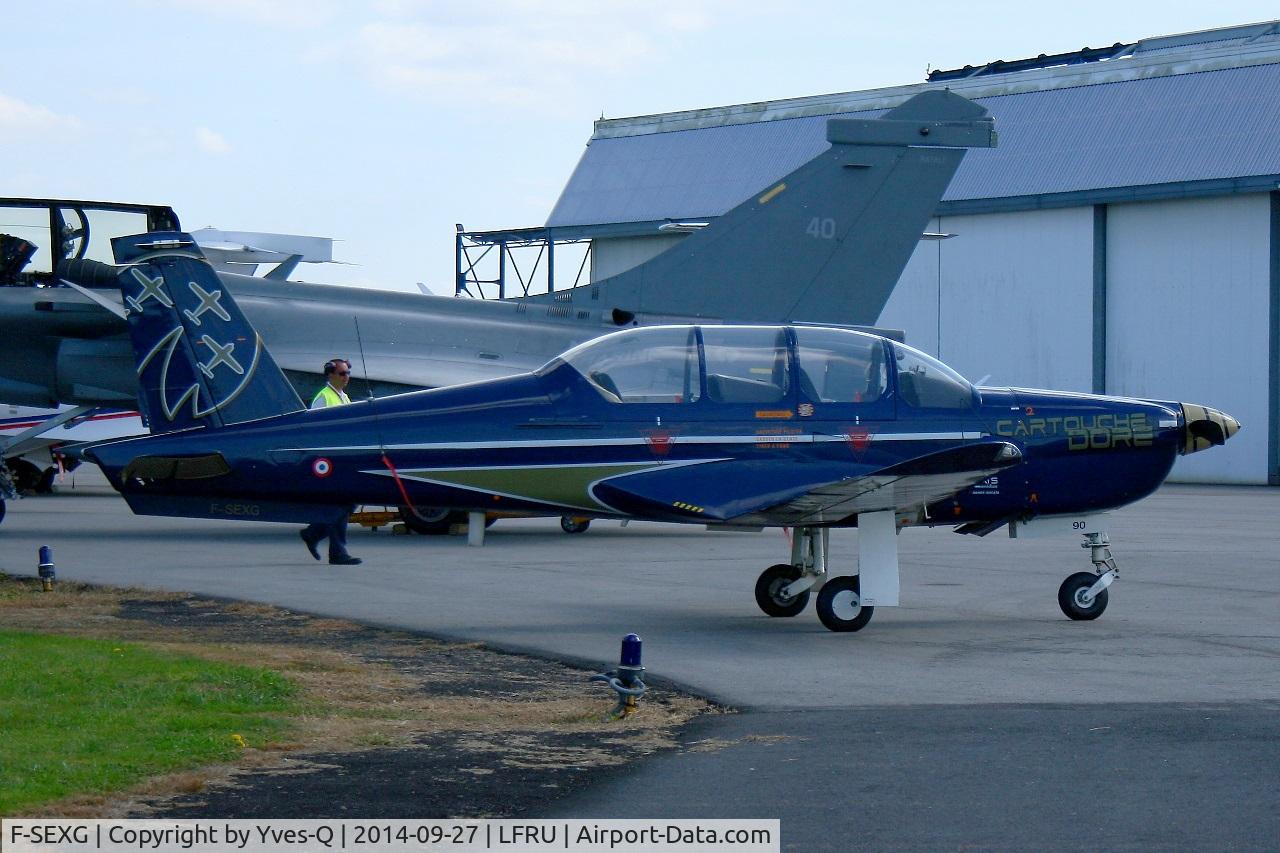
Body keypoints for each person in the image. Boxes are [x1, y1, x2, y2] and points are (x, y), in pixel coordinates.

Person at [300, 358, 362, 565]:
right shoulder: (323, 398)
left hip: (341, 461)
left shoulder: (344, 397)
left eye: (347, 373)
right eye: (342, 374)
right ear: (330, 375)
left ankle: (315, 534)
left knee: (344, 504)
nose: (346, 377)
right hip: (328, 464)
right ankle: (336, 551)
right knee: (341, 505)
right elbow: (314, 431)